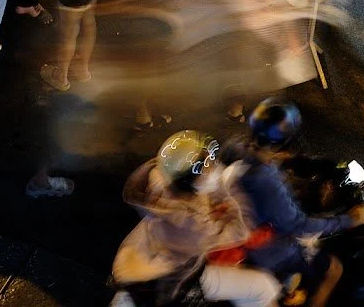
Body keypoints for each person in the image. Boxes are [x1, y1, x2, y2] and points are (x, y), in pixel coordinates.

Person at [113, 130, 281, 307]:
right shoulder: (192, 225)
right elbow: (241, 230)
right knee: (263, 287)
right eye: (208, 166)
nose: (215, 168)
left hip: (135, 264)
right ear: (188, 181)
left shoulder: (162, 173)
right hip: (164, 283)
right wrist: (224, 188)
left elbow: (193, 192)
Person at [232, 99, 364, 307]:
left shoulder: (237, 149)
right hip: (269, 252)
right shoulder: (266, 181)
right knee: (333, 269)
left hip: (241, 233)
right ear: (285, 141)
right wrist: (349, 220)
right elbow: (299, 226)